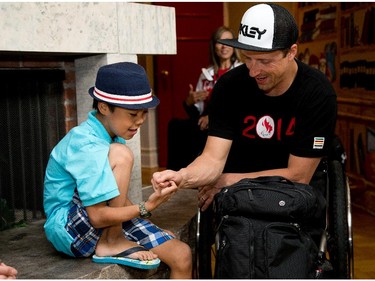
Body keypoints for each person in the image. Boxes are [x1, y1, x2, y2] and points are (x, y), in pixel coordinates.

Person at [153, 3, 337, 212]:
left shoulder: (317, 93)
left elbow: (299, 176)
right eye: (247, 58)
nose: (253, 71)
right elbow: (212, 158)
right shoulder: (229, 86)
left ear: (291, 52)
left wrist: (229, 180)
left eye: (264, 61)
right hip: (237, 198)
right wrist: (182, 176)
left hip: (291, 199)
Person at [43, 62, 192, 278]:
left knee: (182, 254)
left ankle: (114, 239)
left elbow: (112, 197)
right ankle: (112, 242)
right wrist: (147, 206)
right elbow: (97, 217)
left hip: (99, 219)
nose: (140, 121)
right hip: (69, 229)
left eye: (144, 113)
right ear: (103, 107)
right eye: (133, 114)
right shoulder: (85, 143)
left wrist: (147, 224)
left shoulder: (112, 137)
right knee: (121, 153)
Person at [167, 26, 242, 170]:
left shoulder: (241, 71)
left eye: (228, 41)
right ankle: (176, 176)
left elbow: (239, 105)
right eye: (219, 42)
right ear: (214, 47)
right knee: (175, 126)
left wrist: (212, 117)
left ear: (234, 45)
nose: (224, 46)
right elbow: (197, 113)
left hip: (230, 121)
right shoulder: (206, 74)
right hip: (206, 121)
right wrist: (189, 102)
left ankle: (200, 172)